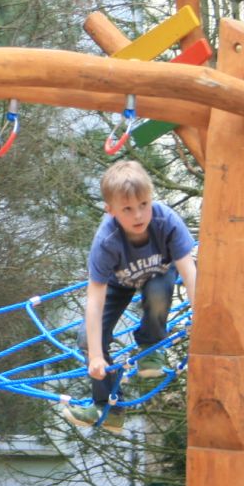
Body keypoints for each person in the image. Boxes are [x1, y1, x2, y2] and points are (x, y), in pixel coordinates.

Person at [63, 160, 196, 434]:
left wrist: (202, 320)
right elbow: (95, 301)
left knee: (158, 292)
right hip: (118, 282)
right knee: (87, 340)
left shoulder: (166, 221)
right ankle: (108, 408)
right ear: (110, 211)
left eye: (144, 204)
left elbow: (190, 274)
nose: (138, 215)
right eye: (127, 209)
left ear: (151, 198)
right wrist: (97, 356)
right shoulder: (106, 240)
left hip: (158, 274)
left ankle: (151, 346)